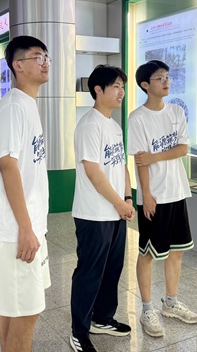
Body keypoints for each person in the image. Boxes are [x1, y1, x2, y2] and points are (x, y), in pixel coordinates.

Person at [127, 60, 197, 338]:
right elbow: (140, 161)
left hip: (177, 191)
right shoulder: (137, 118)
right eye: (160, 78)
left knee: (177, 250)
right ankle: (147, 309)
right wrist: (145, 195)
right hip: (154, 196)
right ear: (145, 85)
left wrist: (155, 156)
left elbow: (182, 148)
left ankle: (170, 302)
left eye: (167, 77)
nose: (166, 82)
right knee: (147, 253)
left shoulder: (176, 111)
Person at [0, 35, 51, 352]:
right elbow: (8, 166)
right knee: (27, 312)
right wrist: (25, 228)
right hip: (17, 231)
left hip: (27, 226)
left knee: (13, 308)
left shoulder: (26, 104)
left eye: (46, 57)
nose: (45, 62)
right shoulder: (14, 106)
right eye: (37, 56)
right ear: (18, 65)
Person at [70, 65, 135, 352]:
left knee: (112, 269)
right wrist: (120, 203)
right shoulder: (89, 124)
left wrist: (128, 198)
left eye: (123, 86)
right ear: (98, 90)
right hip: (94, 214)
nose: (121, 92)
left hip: (116, 211)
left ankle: (102, 318)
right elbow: (93, 172)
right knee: (90, 272)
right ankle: (79, 331)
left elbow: (121, 165)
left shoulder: (114, 125)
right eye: (116, 86)